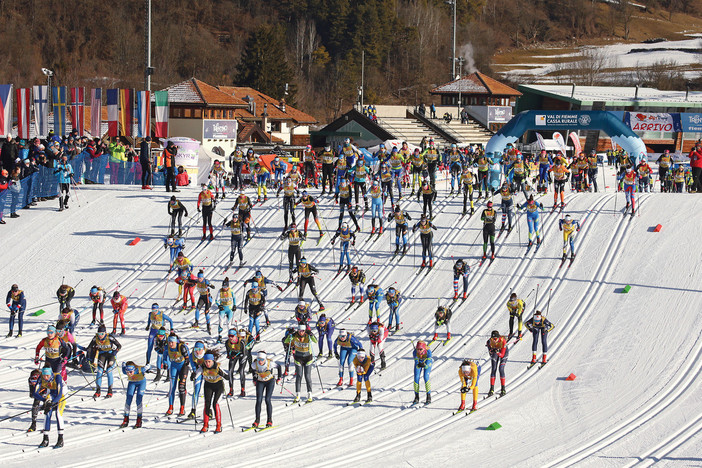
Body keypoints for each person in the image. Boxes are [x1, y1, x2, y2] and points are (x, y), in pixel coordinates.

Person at [284, 323, 318, 403]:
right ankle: (298, 395)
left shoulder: (307, 335)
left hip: (308, 357)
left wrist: (312, 335)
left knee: (307, 376)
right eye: (299, 331)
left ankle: (310, 394)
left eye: (303, 331)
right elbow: (286, 341)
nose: (301, 332)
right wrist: (290, 334)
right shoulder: (294, 335)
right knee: (299, 376)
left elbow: (315, 341)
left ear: (305, 330)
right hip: (298, 357)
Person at [87, 323, 121, 399]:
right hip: (102, 354)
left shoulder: (110, 337)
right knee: (99, 371)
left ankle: (110, 391)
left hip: (110, 354)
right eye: (99, 333)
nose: (100, 335)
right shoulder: (95, 338)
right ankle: (98, 391)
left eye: (102, 333)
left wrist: (115, 351)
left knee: (109, 370)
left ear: (105, 333)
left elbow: (119, 345)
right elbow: (89, 347)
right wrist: (89, 356)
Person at [34, 366, 65, 448]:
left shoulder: (57, 377)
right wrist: (45, 401)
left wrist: (52, 403)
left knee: (58, 414)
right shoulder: (41, 378)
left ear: (50, 374)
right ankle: (45, 439)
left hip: (61, 396)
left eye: (47, 376)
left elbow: (60, 393)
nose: (45, 378)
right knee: (47, 414)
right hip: (50, 395)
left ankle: (60, 439)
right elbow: (35, 393)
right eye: (44, 375)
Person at [250, 351, 282, 429]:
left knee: (267, 400)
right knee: (258, 400)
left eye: (261, 359)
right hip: (260, 382)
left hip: (270, 381)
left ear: (264, 359)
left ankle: (269, 420)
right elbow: (253, 371)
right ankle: (257, 421)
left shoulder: (269, 363)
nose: (260, 361)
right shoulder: (254, 364)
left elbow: (279, 367)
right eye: (258, 359)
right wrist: (254, 379)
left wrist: (279, 378)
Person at [163, 333, 190, 416]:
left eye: (172, 342)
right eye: (169, 342)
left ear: (176, 342)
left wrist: (187, 360)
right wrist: (165, 363)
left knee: (181, 387)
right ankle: (170, 407)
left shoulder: (181, 347)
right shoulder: (167, 348)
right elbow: (164, 357)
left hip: (183, 367)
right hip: (174, 366)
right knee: (172, 387)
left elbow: (188, 357)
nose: (171, 344)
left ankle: (182, 408)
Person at [225, 328, 254, 397]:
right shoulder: (227, 342)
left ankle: (243, 390)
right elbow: (228, 353)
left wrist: (236, 356)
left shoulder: (241, 342)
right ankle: (231, 390)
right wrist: (229, 356)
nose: (230, 338)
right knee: (230, 371)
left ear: (236, 335)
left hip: (242, 355)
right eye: (229, 336)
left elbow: (244, 353)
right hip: (234, 355)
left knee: (241, 371)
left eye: (232, 336)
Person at [120, 361, 149, 428]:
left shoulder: (139, 369)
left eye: (131, 372)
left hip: (141, 383)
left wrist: (147, 368)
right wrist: (123, 364)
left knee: (138, 399)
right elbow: (123, 365)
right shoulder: (125, 371)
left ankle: (139, 419)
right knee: (128, 399)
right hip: (132, 383)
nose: (129, 374)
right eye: (127, 372)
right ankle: (126, 419)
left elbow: (148, 366)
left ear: (134, 369)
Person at [187, 341, 206, 419]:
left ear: (203, 349)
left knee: (207, 392)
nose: (197, 351)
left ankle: (209, 410)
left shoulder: (207, 354)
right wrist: (194, 373)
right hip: (199, 371)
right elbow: (193, 366)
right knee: (196, 390)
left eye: (199, 349)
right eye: (195, 349)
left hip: (207, 372)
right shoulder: (192, 355)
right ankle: (193, 410)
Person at [486, 330, 508, 397]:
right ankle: (491, 389)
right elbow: (490, 352)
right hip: (496, 352)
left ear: (498, 338)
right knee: (493, 369)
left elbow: (502, 355)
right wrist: (492, 351)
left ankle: (503, 388)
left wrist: (498, 352)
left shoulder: (503, 341)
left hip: (503, 353)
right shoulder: (489, 341)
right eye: (493, 339)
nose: (494, 340)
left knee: (501, 369)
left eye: (495, 339)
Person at [215, 277, 236, 342]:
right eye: (223, 287)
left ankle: (230, 337)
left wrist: (234, 305)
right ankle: (220, 336)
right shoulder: (220, 291)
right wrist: (219, 306)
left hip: (229, 309)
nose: (224, 288)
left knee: (228, 324)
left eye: (225, 287)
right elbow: (216, 300)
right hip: (223, 309)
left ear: (228, 286)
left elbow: (234, 298)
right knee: (221, 322)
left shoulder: (231, 290)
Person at [412, 341, 433, 405]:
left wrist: (425, 365)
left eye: (421, 349)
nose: (419, 351)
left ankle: (428, 396)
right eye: (417, 349)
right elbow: (416, 362)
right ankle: (416, 396)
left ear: (424, 348)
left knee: (426, 377)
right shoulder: (415, 352)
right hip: (419, 363)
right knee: (416, 378)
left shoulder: (428, 352)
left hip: (427, 363)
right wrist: (418, 365)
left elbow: (428, 362)